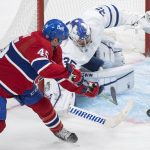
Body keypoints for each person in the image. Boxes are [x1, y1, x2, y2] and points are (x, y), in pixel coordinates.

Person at [0, 19, 104, 143]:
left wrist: (84, 88)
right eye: (60, 39)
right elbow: (45, 70)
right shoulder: (37, 42)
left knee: (43, 105)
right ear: (55, 38)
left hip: (22, 85)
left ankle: (59, 130)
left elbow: (60, 75)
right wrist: (69, 72)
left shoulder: (54, 49)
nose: (60, 42)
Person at [62, 4, 150, 71]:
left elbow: (115, 12)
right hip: (80, 61)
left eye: (87, 39)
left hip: (93, 50)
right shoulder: (67, 50)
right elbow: (63, 76)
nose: (85, 44)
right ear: (72, 38)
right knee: (95, 66)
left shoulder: (93, 19)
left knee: (115, 55)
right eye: (81, 42)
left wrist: (138, 19)